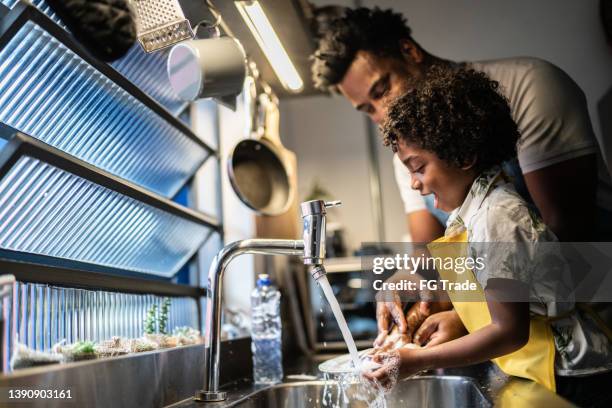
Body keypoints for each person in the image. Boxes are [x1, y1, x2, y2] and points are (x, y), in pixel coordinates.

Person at [311, 6, 611, 345]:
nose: (382, 114)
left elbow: (564, 235)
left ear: (409, 51)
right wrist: (409, 289)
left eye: (382, 90)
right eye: (367, 109)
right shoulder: (408, 152)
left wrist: (470, 317)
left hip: (594, 325)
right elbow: (430, 256)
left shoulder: (529, 86)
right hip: (524, 340)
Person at [365, 66, 612, 407]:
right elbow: (479, 290)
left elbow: (508, 330)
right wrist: (416, 287)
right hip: (540, 367)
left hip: (578, 377)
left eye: (419, 167)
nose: (414, 184)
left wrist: (417, 360)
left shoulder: (498, 218)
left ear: (464, 157)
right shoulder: (472, 215)